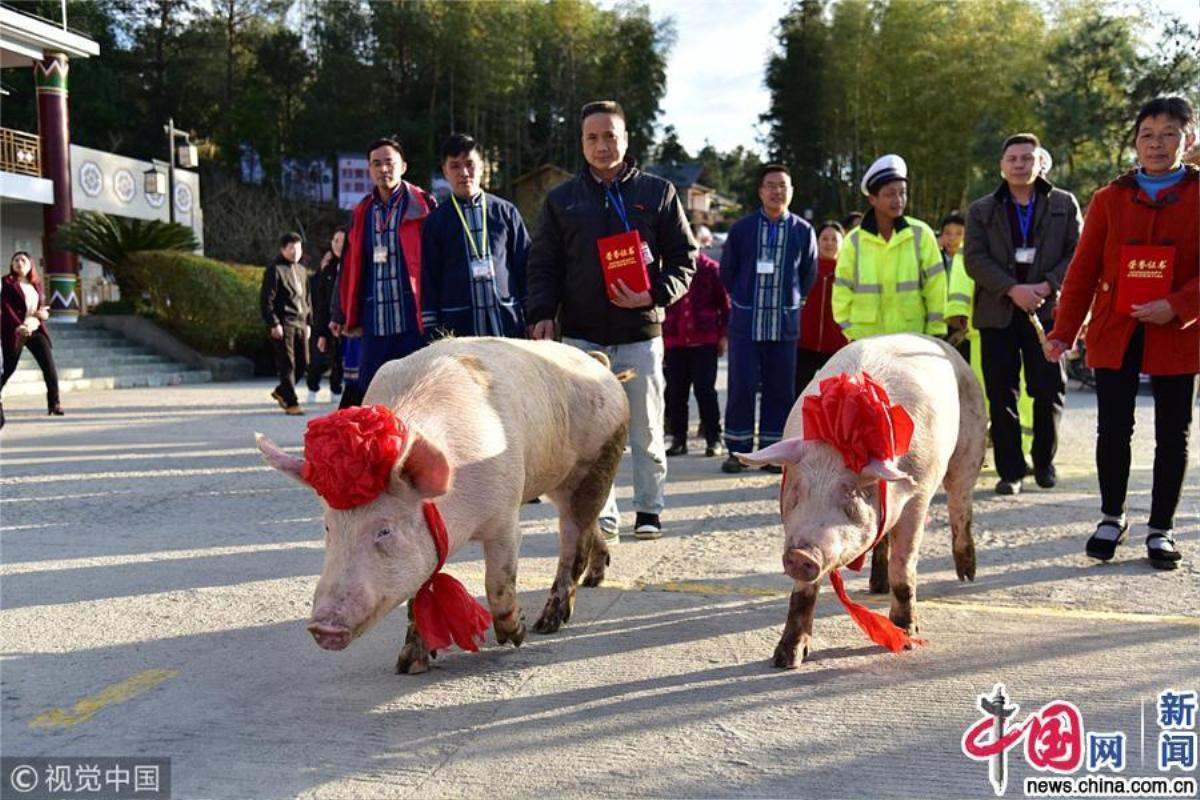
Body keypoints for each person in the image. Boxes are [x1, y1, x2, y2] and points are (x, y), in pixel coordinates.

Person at [526, 100, 696, 541]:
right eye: (592, 137)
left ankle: (649, 509)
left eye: (610, 136)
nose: (602, 146)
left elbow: (685, 258)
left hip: (639, 335)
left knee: (645, 429)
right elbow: (543, 264)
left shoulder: (657, 193)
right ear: (582, 143)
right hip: (582, 342)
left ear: (626, 139)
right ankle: (602, 517)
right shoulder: (562, 201)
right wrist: (542, 313)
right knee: (592, 440)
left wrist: (654, 294)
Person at [1045, 96, 1198, 570]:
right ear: (1135, 142)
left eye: (1169, 133)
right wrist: (1062, 331)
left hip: (1178, 333)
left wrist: (1175, 305)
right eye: (1147, 134)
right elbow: (1083, 271)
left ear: (1187, 140)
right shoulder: (1109, 199)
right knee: (1113, 429)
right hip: (1115, 329)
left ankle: (1161, 528)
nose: (1157, 143)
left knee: (1174, 434)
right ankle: (1112, 517)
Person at [964, 133, 1082, 496]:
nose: (1019, 165)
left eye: (1026, 158)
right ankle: (1010, 470)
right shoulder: (982, 210)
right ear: (1001, 166)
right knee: (1001, 394)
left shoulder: (1063, 203)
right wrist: (1013, 289)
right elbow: (974, 260)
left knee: (1048, 389)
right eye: (1012, 159)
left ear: (1040, 162)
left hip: (1047, 313)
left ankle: (1044, 462)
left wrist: (1046, 286)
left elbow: (1079, 253)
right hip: (998, 311)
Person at [719, 164, 817, 474]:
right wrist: (742, 298)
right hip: (747, 322)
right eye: (771, 185)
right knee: (741, 387)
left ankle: (774, 454)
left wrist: (793, 302)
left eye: (783, 186)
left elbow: (809, 274)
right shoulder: (742, 229)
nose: (777, 191)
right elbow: (728, 271)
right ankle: (738, 450)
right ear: (760, 191)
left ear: (791, 191)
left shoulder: (803, 231)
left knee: (780, 389)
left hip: (783, 324)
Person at [331, 136, 435, 398]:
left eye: (389, 163)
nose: (383, 169)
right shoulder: (361, 211)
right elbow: (349, 266)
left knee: (416, 394)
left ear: (403, 167)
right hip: (374, 322)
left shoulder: (424, 206)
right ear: (369, 170)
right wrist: (339, 312)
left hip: (413, 320)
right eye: (376, 164)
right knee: (373, 394)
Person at [421, 133, 531, 338]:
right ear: (445, 171)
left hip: (506, 320)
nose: (464, 172)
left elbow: (524, 266)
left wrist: (533, 315)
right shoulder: (436, 222)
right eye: (455, 166)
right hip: (459, 326)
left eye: (470, 164)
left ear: (482, 166)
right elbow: (430, 278)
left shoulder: (506, 212)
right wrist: (432, 329)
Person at [831, 155, 946, 344]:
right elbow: (842, 290)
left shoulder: (921, 234)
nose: (898, 200)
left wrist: (935, 332)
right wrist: (849, 331)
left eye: (903, 192)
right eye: (890, 194)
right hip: (865, 341)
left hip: (911, 338)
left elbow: (936, 288)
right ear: (872, 199)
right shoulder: (854, 240)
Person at [663, 224, 729, 458]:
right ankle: (678, 439)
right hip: (674, 340)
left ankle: (714, 438)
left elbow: (725, 306)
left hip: (704, 340)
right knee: (676, 392)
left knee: (705, 391)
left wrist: (722, 336)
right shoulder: (667, 268)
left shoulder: (712, 270)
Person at [1, 251, 61, 415]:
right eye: (16, 260)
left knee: (49, 366)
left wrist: (44, 315)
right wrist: (18, 326)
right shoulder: (6, 283)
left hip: (35, 329)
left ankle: (54, 404)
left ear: (30, 264)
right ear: (12, 265)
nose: (19, 263)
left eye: (23, 260)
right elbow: (6, 308)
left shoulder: (36, 284)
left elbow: (40, 308)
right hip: (15, 330)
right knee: (8, 368)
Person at [795, 220, 849, 396]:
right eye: (824, 238)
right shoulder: (805, 269)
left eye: (834, 239)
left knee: (835, 397)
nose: (829, 243)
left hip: (837, 346)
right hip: (805, 344)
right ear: (816, 242)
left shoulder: (848, 272)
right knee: (799, 394)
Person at [260, 232, 310, 416]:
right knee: (287, 364)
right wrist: (273, 323)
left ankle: (282, 391)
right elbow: (267, 299)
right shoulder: (275, 270)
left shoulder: (302, 270)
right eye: (291, 248)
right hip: (284, 323)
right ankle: (291, 402)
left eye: (298, 248)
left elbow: (307, 299)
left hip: (301, 323)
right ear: (283, 249)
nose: (295, 252)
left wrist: (309, 323)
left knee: (303, 362)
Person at [307, 227, 345, 404]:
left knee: (339, 358)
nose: (338, 245)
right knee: (318, 357)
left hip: (345, 321)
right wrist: (321, 330)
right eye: (335, 241)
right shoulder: (327, 270)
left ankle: (336, 389)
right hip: (325, 320)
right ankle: (312, 388)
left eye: (342, 241)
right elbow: (320, 301)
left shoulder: (351, 265)